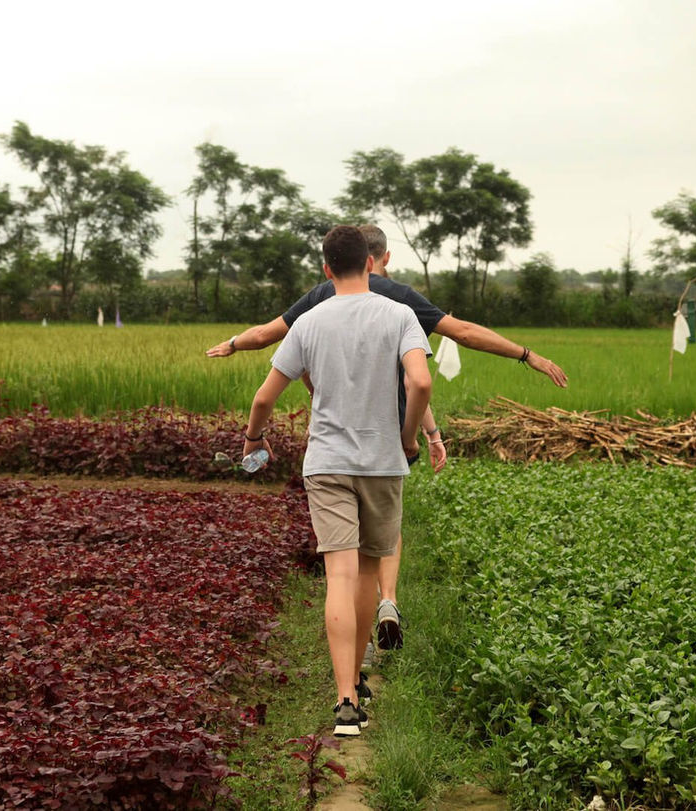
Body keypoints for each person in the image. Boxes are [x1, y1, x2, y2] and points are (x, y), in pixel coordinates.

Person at [207, 224, 569, 651]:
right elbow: (458, 342)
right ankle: (388, 600)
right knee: (383, 529)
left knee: (344, 555)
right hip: (393, 434)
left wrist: (232, 343)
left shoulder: (320, 297)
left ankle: (349, 675)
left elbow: (269, 335)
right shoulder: (401, 300)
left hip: (332, 444)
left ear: (331, 265)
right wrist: (527, 355)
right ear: (380, 258)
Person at [238, 225, 431, 737]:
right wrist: (409, 437)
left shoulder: (309, 320)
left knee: (339, 577)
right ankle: (361, 679)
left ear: (326, 269)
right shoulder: (400, 315)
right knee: (369, 573)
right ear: (371, 263)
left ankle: (345, 700)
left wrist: (254, 439)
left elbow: (263, 398)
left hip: (327, 463)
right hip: (383, 463)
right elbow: (422, 381)